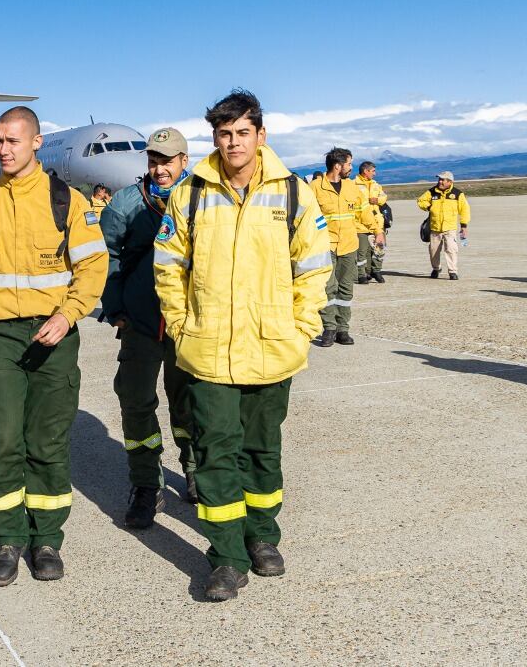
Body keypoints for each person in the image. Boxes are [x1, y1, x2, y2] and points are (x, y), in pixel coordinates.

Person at [153, 90, 331, 602]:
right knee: (214, 453)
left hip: (274, 346)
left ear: (260, 135)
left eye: (241, 133)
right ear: (215, 138)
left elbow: (314, 265)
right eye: (223, 134)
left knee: (262, 450)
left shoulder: (294, 193)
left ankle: (262, 536)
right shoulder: (190, 194)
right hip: (207, 350)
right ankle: (226, 556)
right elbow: (168, 266)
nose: (232, 143)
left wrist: (302, 326)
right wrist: (184, 325)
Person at [0, 106, 108, 587]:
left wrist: (68, 313)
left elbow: (93, 266)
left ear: (37, 142)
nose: (4, 149)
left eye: (13, 140)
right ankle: (9, 538)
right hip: (2, 335)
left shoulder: (67, 200)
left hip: (54, 335)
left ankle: (47, 540)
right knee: (2, 439)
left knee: (49, 441)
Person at [99, 126, 198, 529]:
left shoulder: (200, 199)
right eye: (154, 161)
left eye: (167, 161)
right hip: (140, 322)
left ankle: (195, 472)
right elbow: (107, 256)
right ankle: (145, 484)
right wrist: (115, 307)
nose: (160, 169)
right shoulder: (125, 202)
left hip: (187, 324)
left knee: (191, 403)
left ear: (183, 162)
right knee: (136, 402)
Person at [309, 148, 373, 347]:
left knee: (346, 288)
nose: (351, 168)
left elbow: (364, 211)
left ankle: (343, 329)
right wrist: (321, 231)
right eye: (349, 164)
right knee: (328, 288)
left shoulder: (352, 187)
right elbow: (309, 216)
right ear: (338, 166)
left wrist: (377, 229)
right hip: (325, 245)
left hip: (348, 245)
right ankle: (329, 328)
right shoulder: (315, 187)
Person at [417, 171, 471, 279]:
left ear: (450, 182)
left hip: (450, 228)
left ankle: (453, 271)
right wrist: (428, 207)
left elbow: (465, 210)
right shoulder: (432, 192)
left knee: (451, 249)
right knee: (433, 251)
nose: (440, 181)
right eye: (439, 179)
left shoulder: (457, 194)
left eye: (442, 180)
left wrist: (464, 226)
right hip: (435, 227)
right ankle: (436, 268)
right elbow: (420, 201)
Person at [353, 161, 388, 284]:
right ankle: (362, 274)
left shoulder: (376, 185)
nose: (375, 173)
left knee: (380, 248)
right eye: (373, 171)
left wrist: (377, 200)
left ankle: (376, 270)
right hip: (360, 224)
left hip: (377, 222)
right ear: (365, 171)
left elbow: (384, 197)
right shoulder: (353, 185)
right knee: (362, 251)